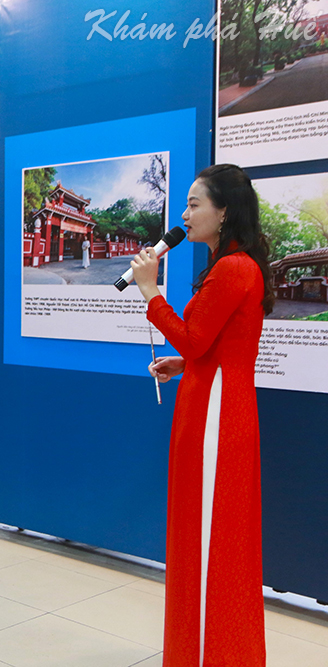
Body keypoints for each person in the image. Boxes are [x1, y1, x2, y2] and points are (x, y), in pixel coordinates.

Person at [129, 164, 272, 666]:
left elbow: (193, 335)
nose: (184, 215)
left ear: (225, 211)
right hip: (210, 400)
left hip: (217, 418)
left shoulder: (234, 268)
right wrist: (187, 362)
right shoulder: (229, 265)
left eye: (193, 204)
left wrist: (150, 291)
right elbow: (209, 345)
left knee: (211, 542)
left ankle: (213, 655)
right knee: (201, 538)